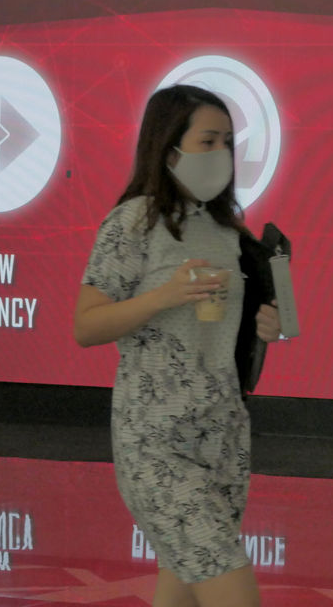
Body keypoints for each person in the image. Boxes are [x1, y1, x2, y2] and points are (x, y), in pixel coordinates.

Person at [75, 84, 279, 607]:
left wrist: (260, 325)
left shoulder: (227, 232)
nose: (222, 155)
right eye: (207, 141)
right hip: (157, 439)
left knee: (182, 584)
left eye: (228, 142)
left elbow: (226, 332)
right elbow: (87, 326)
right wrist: (163, 296)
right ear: (169, 149)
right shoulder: (133, 223)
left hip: (223, 434)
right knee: (231, 589)